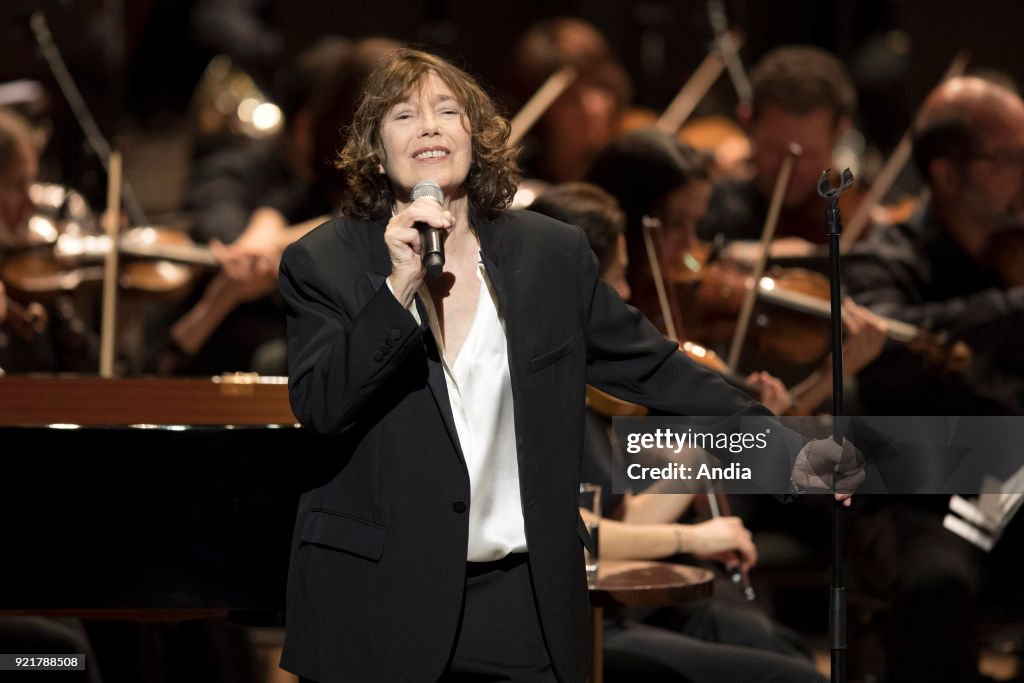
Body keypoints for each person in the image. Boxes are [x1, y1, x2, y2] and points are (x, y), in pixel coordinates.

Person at [278, 48, 855, 683]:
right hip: (379, 605)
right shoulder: (321, 263)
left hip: (522, 603)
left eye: (448, 110)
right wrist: (397, 291)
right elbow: (322, 406)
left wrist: (786, 454)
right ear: (374, 146)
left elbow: (660, 370)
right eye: (403, 115)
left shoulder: (548, 255)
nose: (430, 126)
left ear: (478, 135)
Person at [842, 75, 1024, 682]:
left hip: (1012, 481)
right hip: (918, 487)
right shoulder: (880, 260)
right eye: (1010, 160)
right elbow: (892, 350)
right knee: (935, 586)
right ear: (947, 174)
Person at [586, 128, 886, 412]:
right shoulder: (603, 319)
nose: (691, 247)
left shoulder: (673, 311)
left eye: (696, 224)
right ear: (627, 217)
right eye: (676, 224)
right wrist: (825, 383)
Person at [696, 45, 859, 260]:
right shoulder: (713, 207)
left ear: (840, 133)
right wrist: (748, 252)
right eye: (774, 149)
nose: (790, 168)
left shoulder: (858, 216)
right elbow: (690, 258)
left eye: (808, 154)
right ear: (746, 122)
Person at [0, 107, 96, 374]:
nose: (31, 202)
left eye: (31, 182)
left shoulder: (33, 274)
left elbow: (87, 367)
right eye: (18, 185)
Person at [504, 18, 630, 187]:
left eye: (602, 88)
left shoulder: (631, 174)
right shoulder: (515, 181)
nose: (594, 108)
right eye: (571, 97)